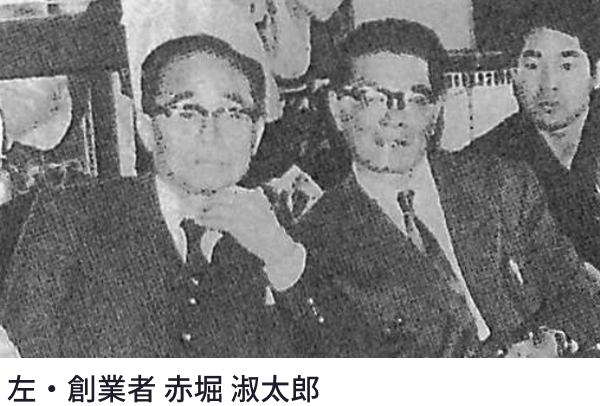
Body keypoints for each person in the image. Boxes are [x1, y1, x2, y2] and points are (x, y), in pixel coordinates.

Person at [277, 19, 600, 358]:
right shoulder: (318, 240)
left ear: (436, 110)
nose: (394, 116)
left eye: (415, 98)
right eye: (372, 98)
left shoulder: (502, 184)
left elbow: (579, 294)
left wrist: (552, 341)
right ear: (338, 108)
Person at [0, 1, 304, 358]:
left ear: (257, 132)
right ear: (146, 127)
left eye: (233, 113)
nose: (211, 133)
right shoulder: (68, 219)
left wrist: (281, 257)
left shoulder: (278, 232)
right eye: (187, 112)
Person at [466, 1, 600, 270]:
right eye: (531, 65)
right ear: (514, 76)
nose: (548, 84)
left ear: (595, 75)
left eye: (566, 66)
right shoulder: (485, 163)